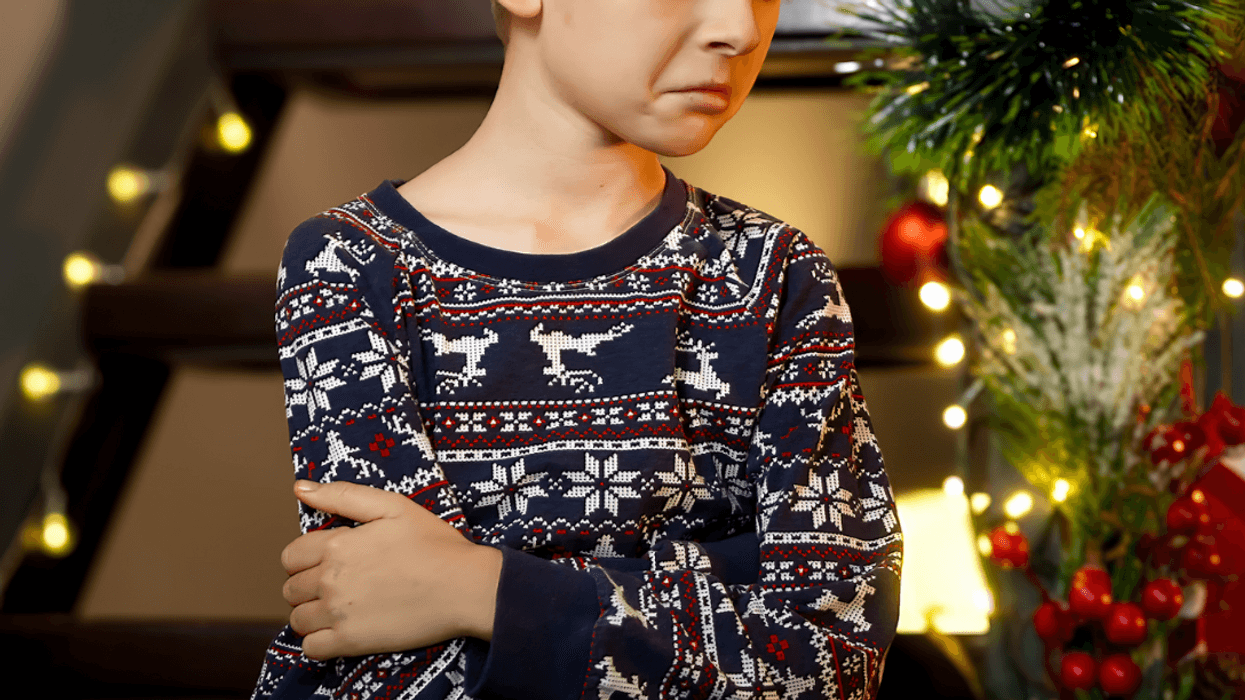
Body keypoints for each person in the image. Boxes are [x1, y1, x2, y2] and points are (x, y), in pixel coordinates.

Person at [250, 0, 903, 698]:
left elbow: (829, 662)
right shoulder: (350, 262)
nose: (739, 29)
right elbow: (382, 640)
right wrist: (702, 592)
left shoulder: (773, 273)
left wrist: (483, 589)